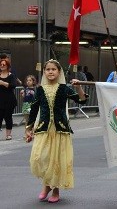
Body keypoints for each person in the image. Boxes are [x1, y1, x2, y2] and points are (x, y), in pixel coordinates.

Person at [25, 59, 87, 203]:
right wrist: (28, 128)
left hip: (60, 130)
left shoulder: (64, 88)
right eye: (48, 69)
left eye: (54, 69)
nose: (51, 72)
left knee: (56, 161)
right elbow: (34, 109)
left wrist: (78, 88)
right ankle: (46, 185)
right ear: (44, 72)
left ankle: (55, 190)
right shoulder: (40, 90)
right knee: (40, 157)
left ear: (59, 72)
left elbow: (82, 100)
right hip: (44, 129)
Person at [0, 57, 18, 140]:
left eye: (4, 64)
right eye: (1, 64)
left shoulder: (11, 76)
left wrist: (3, 83)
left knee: (8, 117)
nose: (2, 65)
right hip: (0, 100)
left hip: (9, 100)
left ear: (7, 66)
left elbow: (13, 85)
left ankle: (8, 134)